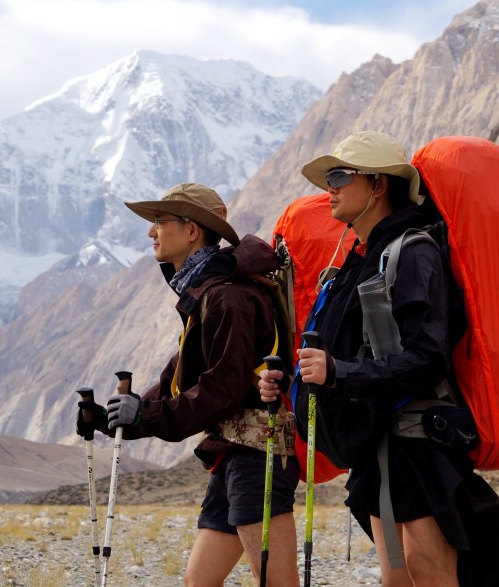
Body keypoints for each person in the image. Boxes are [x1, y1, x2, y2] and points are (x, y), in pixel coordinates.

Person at [259, 130, 499, 586]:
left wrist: (337, 373)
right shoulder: (359, 260)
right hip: (379, 442)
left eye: (340, 176)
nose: (329, 187)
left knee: (429, 573)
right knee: (398, 577)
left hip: (416, 443)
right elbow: (348, 348)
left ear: (378, 185)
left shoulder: (413, 254)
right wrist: (293, 376)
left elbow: (426, 360)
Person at [77, 182, 300, 587]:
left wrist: (145, 414)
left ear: (193, 230)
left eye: (160, 221)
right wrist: (110, 420)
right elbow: (179, 380)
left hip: (257, 457)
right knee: (199, 581)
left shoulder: (228, 297)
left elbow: (221, 389)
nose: (151, 232)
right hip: (232, 454)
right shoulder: (207, 294)